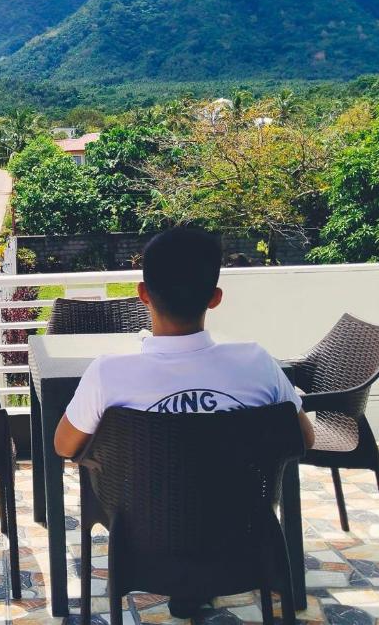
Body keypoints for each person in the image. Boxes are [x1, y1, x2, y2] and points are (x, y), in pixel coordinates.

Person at [54, 226, 314, 619]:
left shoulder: (109, 374)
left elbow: (64, 445)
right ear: (215, 298)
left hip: (142, 535)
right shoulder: (257, 364)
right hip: (239, 532)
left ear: (143, 294)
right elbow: (303, 438)